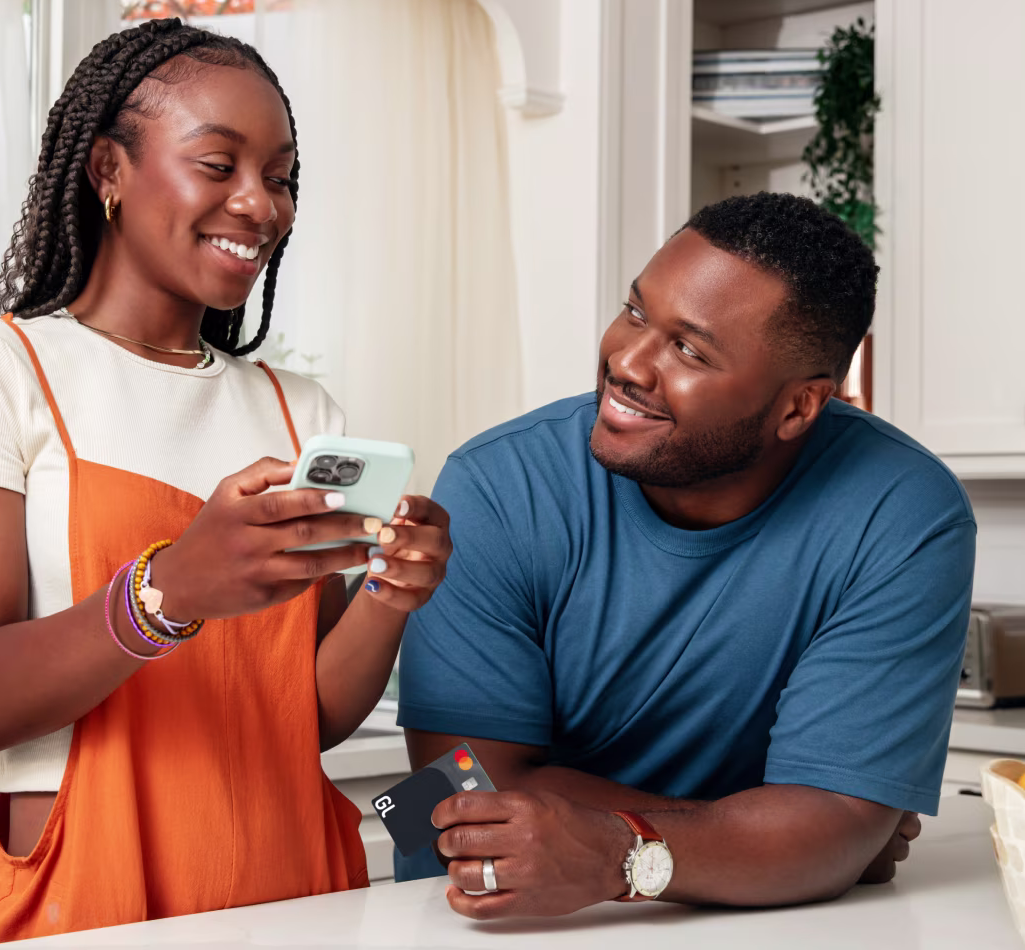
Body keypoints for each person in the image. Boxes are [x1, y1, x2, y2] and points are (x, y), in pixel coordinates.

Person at [0, 19, 451, 945]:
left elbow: (302, 716)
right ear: (109, 170)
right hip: (92, 896)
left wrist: (393, 596)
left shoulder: (299, 411)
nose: (260, 206)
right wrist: (171, 590)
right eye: (219, 164)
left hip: (296, 886)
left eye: (280, 177)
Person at [395, 192, 975, 918]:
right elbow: (459, 796)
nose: (627, 363)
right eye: (636, 312)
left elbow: (830, 827)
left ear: (799, 407)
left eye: (690, 350)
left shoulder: (902, 512)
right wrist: (764, 839)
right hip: (479, 920)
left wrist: (633, 848)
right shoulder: (498, 486)